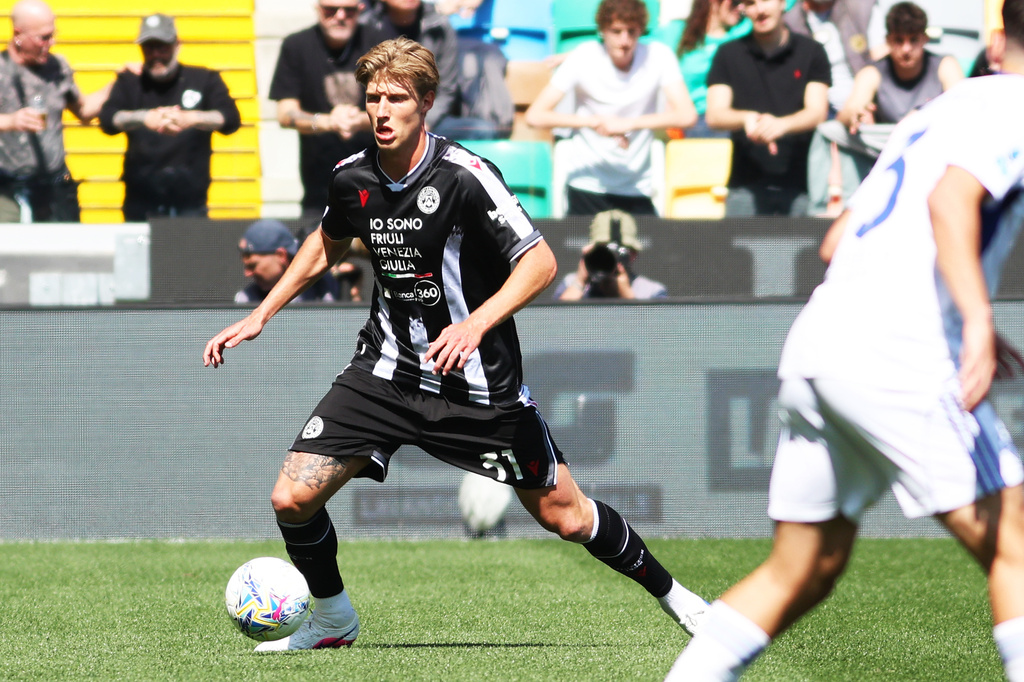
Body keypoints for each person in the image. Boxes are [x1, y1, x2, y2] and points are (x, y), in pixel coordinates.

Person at [205, 37, 709, 651]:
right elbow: (328, 239)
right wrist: (263, 312)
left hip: (478, 388)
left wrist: (475, 324)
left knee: (565, 516)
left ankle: (679, 599)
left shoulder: (467, 176)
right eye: (373, 99)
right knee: (292, 498)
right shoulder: (351, 177)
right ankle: (334, 620)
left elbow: (541, 262)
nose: (382, 111)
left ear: (426, 103)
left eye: (396, 98)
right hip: (385, 373)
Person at [666, 1, 1024, 678]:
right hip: (902, 352)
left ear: (997, 40)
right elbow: (950, 203)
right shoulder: (1015, 109)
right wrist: (975, 319)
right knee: (1018, 546)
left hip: (821, 343)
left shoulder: (938, 110)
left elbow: (838, 237)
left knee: (803, 569)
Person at [525, 0, 697, 216]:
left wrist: (629, 124)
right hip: (586, 186)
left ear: (641, 31)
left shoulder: (659, 56)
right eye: (616, 31)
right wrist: (593, 122)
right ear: (603, 31)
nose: (624, 40)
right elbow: (535, 116)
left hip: (638, 187)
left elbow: (687, 115)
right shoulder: (583, 57)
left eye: (631, 32)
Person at [808, 1, 963, 216]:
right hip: (884, 146)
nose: (906, 49)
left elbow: (961, 109)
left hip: (928, 145)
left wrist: (921, 114)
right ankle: (840, 208)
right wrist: (855, 114)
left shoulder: (944, 64)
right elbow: (849, 110)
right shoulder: (873, 72)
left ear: (925, 39)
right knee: (828, 130)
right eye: (899, 40)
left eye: (913, 40)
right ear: (888, 41)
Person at [97, 14, 242, 222]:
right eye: (149, 48)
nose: (155, 55)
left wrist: (191, 118)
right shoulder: (130, 81)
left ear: (177, 45)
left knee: (188, 254)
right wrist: (144, 117)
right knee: (140, 253)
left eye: (162, 47)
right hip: (141, 201)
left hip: (190, 201)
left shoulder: (204, 79)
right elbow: (107, 119)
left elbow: (230, 119)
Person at [705, 0, 831, 216]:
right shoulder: (728, 54)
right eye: (751, 3)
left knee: (803, 249)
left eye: (766, 0)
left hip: (801, 185)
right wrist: (747, 119)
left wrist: (782, 126)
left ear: (783, 3)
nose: (760, 9)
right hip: (744, 185)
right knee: (736, 249)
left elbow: (818, 112)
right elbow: (714, 115)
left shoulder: (812, 52)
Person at [269, 0, 386, 217]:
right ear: (317, 9)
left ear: (360, 10)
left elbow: (401, 109)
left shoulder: (380, 44)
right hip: (320, 186)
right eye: (330, 10)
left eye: (348, 11)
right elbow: (285, 114)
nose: (340, 16)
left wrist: (358, 120)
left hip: (379, 181)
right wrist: (329, 122)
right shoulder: (297, 46)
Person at [0, 0, 113, 222]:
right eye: (43, 37)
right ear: (18, 34)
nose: (51, 43)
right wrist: (9, 121)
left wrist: (119, 82)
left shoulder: (57, 67)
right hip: (7, 190)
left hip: (53, 189)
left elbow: (84, 111)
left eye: (53, 35)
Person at [361, 0, 502, 140]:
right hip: (376, 115)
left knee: (484, 130)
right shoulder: (365, 26)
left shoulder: (439, 26)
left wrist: (424, 120)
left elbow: (447, 88)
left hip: (428, 116)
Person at [655, 0, 749, 137]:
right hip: (688, 123)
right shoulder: (677, 31)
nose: (741, 7)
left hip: (730, 119)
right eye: (735, 1)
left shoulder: (743, 31)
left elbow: (784, 5)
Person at [554, 209, 668, 300]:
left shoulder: (652, 292)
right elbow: (553, 322)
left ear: (633, 254)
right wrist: (579, 283)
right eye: (604, 251)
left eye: (617, 253)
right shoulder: (570, 282)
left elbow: (657, 327)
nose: (610, 258)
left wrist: (626, 295)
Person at [234, 218, 340, 303]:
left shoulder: (325, 287)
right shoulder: (247, 299)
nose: (247, 273)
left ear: (281, 255)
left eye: (253, 265)